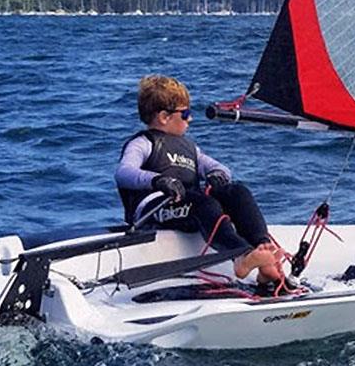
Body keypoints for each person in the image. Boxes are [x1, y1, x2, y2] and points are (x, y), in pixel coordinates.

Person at [115, 75, 282, 283]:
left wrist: (217, 175)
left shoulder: (189, 148)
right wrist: (158, 180)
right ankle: (240, 256)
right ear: (164, 117)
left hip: (189, 205)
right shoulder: (143, 143)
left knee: (237, 192)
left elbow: (218, 167)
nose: (190, 119)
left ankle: (263, 251)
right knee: (204, 203)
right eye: (185, 113)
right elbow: (124, 172)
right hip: (155, 211)